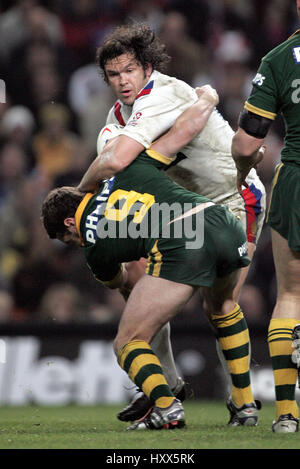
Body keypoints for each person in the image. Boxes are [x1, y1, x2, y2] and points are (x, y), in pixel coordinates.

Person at [76, 23, 265, 426]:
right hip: (184, 210)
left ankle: (243, 402)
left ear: (146, 68)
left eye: (129, 70)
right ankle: (166, 386)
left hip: (235, 198)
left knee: (219, 304)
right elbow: (114, 170)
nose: (123, 80)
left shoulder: (164, 92)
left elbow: (113, 161)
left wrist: (77, 196)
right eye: (114, 74)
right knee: (133, 279)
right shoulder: (115, 117)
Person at [42, 92, 260, 430]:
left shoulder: (94, 248)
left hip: (183, 240)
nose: (74, 243)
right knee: (224, 307)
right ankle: (245, 406)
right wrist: (206, 99)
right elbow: (182, 132)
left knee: (127, 341)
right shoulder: (129, 170)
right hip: (225, 222)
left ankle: (166, 404)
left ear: (69, 223)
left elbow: (125, 282)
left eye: (68, 238)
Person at [231, 0, 300, 433]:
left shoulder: (277, 59)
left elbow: (246, 142)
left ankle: (287, 415)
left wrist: (242, 172)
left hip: (295, 179)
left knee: (291, 295)